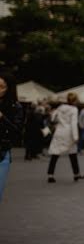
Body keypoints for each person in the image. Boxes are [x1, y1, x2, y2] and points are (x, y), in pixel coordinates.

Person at [46, 93, 84, 183]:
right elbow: (73, 123)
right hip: (69, 133)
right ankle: (76, 174)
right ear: (75, 101)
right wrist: (76, 136)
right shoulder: (74, 109)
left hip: (59, 131)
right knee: (72, 154)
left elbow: (52, 118)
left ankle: (50, 175)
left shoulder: (60, 107)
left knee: (55, 153)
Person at [0, 72, 24, 202]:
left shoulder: (15, 107)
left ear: (9, 89)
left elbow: (17, 132)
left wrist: (2, 118)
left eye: (2, 87)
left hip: (2, 154)